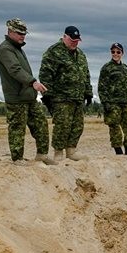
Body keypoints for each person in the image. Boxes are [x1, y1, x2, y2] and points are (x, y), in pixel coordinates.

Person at [0, 18, 55, 166]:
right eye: (19, 33)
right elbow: (15, 70)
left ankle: (41, 155)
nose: (23, 36)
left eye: (24, 33)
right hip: (16, 98)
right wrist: (33, 82)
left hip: (28, 97)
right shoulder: (5, 49)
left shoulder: (17, 48)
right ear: (10, 32)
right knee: (17, 129)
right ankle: (17, 159)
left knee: (41, 124)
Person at [39, 26, 93, 161]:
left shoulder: (80, 54)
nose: (75, 42)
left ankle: (71, 151)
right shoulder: (54, 52)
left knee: (77, 126)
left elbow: (86, 74)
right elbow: (45, 75)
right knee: (62, 126)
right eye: (72, 40)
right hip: (60, 98)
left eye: (77, 40)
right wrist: (47, 95)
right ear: (65, 37)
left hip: (77, 97)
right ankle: (58, 153)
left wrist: (88, 92)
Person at [97, 42, 127, 155]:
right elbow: (102, 87)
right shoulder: (106, 68)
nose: (115, 54)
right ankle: (118, 153)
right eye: (113, 52)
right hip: (113, 103)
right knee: (115, 128)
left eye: (118, 52)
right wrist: (105, 102)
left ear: (122, 53)